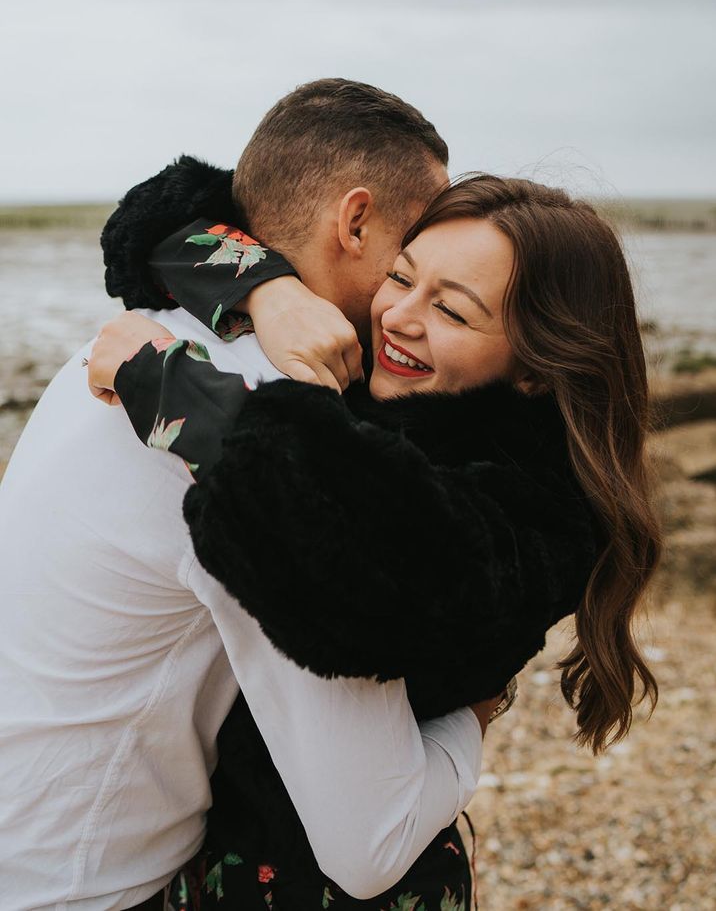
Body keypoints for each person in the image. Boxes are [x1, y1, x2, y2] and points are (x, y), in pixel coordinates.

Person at [90, 172, 662, 909]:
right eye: (401, 276)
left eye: (452, 309)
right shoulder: (390, 373)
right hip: (219, 854)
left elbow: (354, 555)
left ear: (535, 368)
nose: (398, 316)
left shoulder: (544, 509)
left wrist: (172, 389)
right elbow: (152, 224)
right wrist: (272, 290)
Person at [0, 80, 496, 910]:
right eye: (410, 257)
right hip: (75, 888)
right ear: (356, 221)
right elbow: (370, 840)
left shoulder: (149, 330)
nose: (415, 293)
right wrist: (479, 714)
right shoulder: (274, 425)